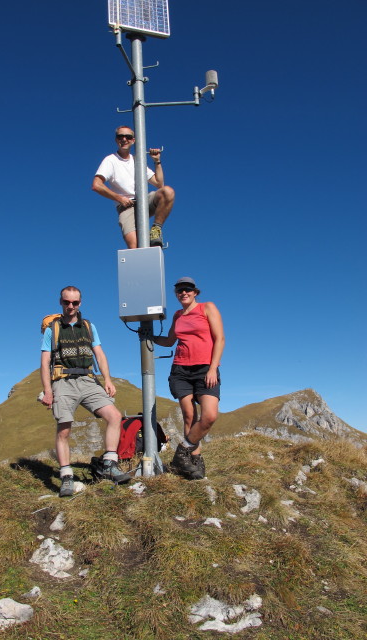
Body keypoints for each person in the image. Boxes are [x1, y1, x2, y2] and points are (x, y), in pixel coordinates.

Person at [40, 286, 131, 496]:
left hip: (88, 380)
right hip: (63, 382)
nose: (70, 306)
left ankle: (109, 463)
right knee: (64, 429)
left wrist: (107, 379)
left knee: (115, 416)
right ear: (60, 302)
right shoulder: (51, 329)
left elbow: (99, 354)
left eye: (75, 303)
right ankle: (66, 477)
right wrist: (47, 390)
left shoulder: (89, 327)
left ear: (80, 303)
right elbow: (45, 362)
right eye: (66, 302)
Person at [152, 277, 225, 480]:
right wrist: (148, 336)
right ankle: (193, 461)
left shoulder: (207, 308)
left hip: (205, 370)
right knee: (189, 417)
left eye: (187, 290)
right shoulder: (177, 315)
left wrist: (212, 369)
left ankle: (181, 452)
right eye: (179, 290)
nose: (183, 293)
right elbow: (169, 341)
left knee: (209, 416)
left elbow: (220, 338)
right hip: (181, 370)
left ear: (195, 292)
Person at [92, 125, 175, 249]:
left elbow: (159, 184)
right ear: (116, 140)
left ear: (133, 140)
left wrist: (157, 161)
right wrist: (120, 198)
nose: (124, 139)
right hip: (126, 207)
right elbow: (96, 185)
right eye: (120, 136)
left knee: (167, 192)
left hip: (143, 201)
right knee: (135, 248)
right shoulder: (110, 160)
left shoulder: (138, 160)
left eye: (128, 137)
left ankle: (156, 229)